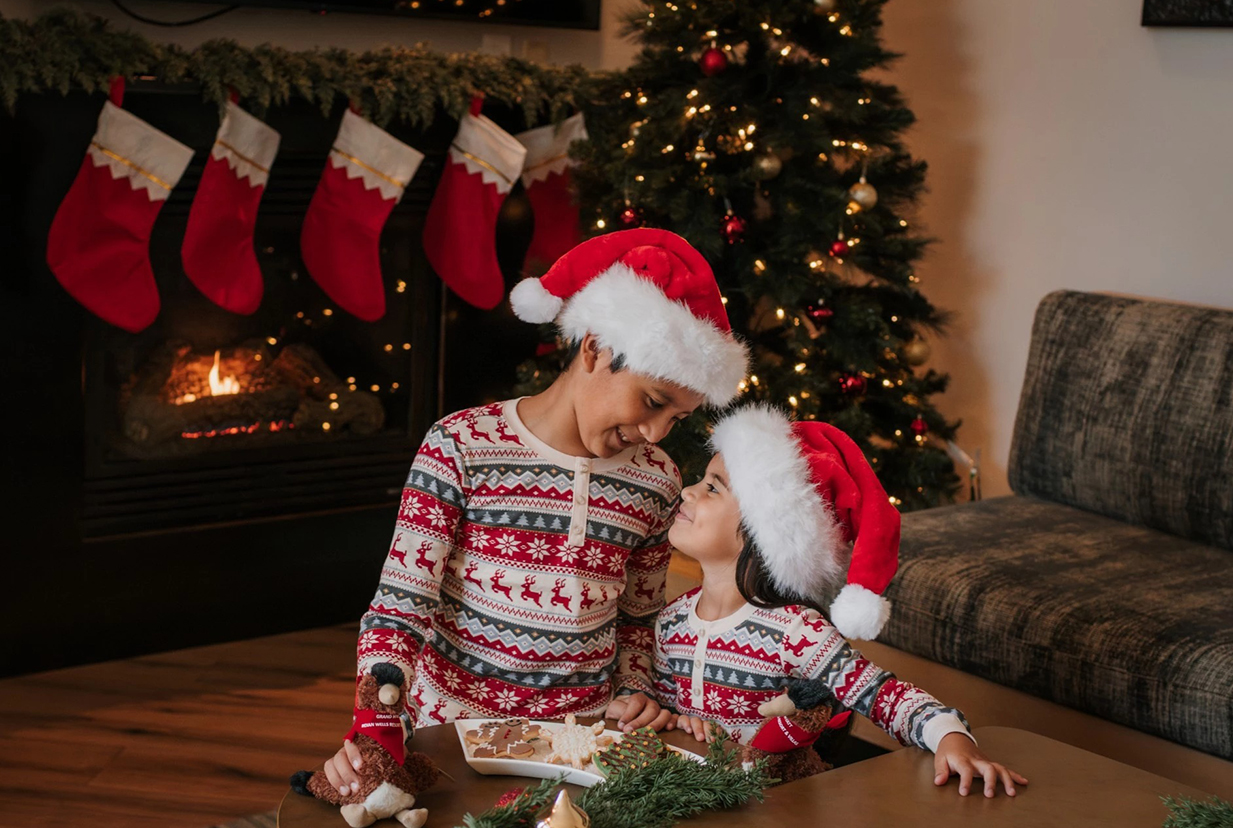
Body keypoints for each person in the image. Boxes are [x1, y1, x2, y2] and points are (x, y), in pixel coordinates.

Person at [321, 229, 749, 798]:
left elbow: (638, 620)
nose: (655, 431)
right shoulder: (460, 445)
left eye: (677, 417)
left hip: (586, 743)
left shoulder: (657, 481)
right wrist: (378, 720)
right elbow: (402, 604)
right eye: (651, 401)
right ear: (594, 347)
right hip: (453, 737)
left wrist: (637, 688)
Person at [651, 404, 1029, 798]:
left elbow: (883, 696)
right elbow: (661, 711)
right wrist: (667, 716)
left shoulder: (797, 632)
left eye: (713, 487)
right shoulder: (672, 620)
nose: (688, 490)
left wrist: (951, 737)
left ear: (766, 532)